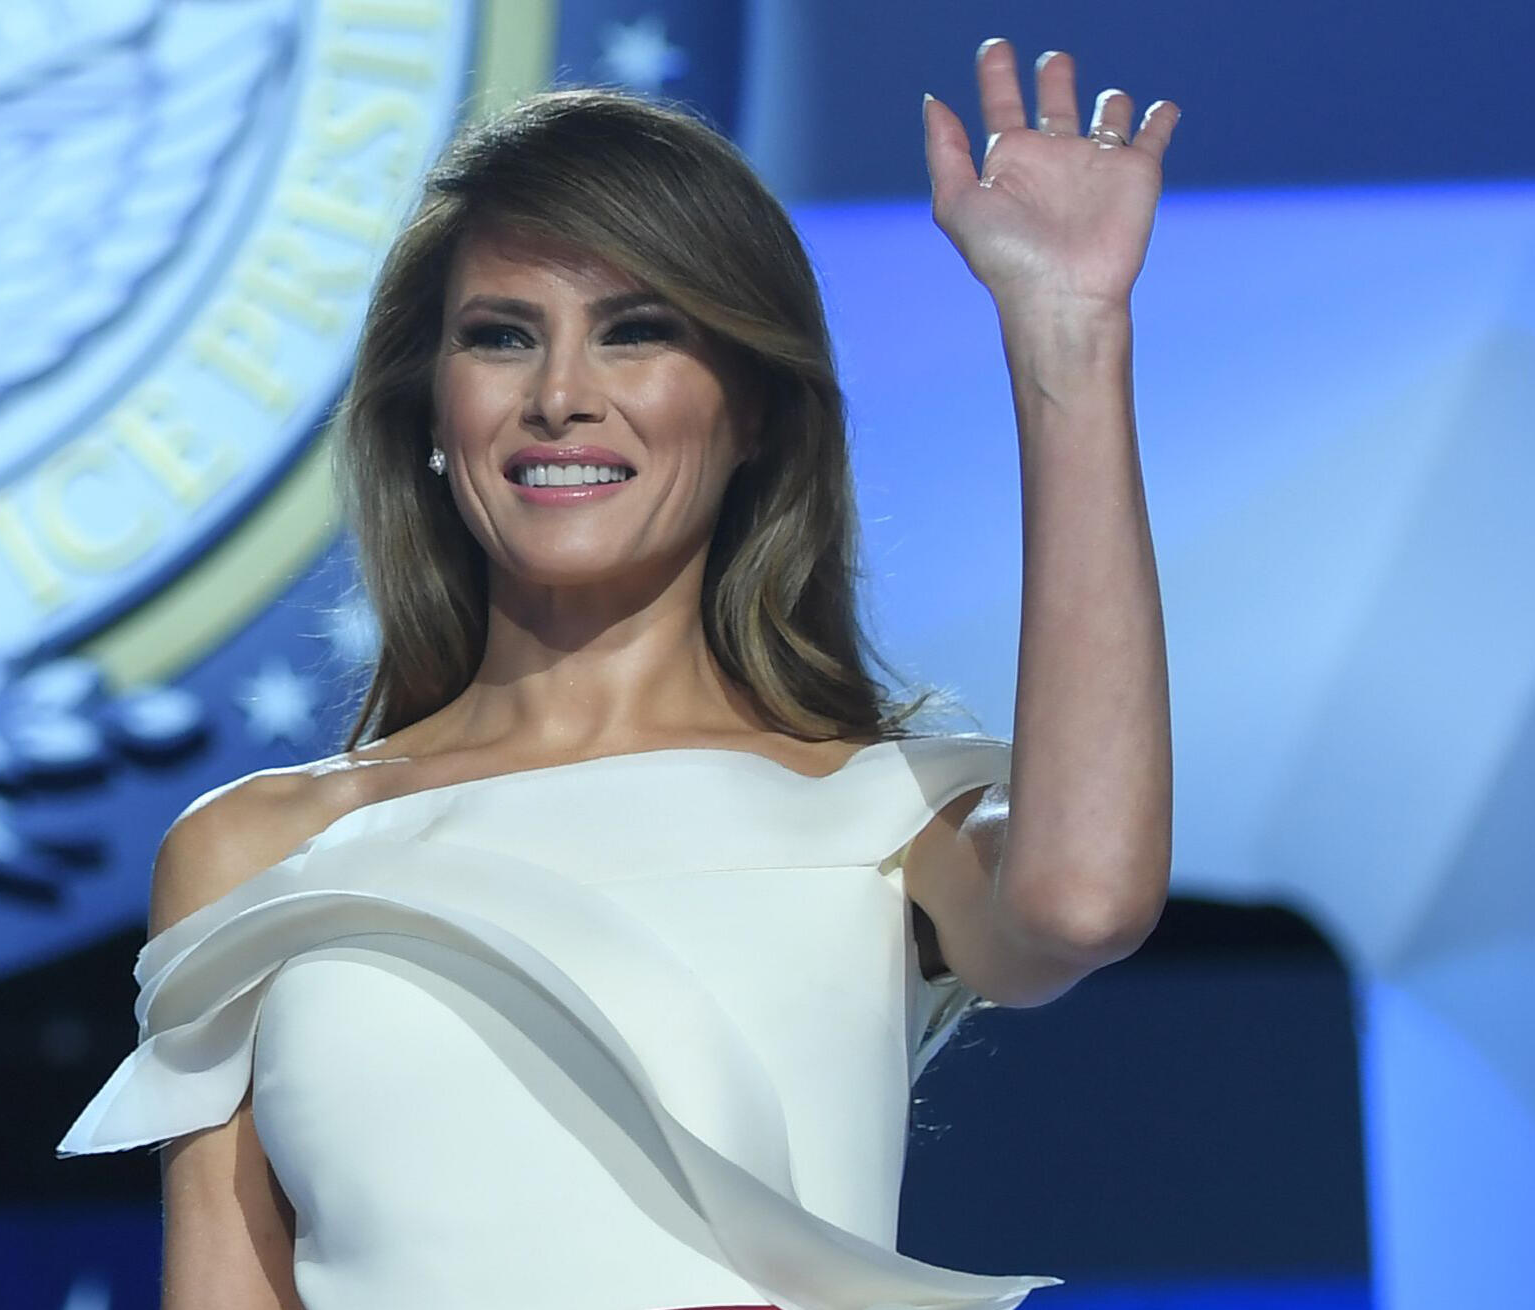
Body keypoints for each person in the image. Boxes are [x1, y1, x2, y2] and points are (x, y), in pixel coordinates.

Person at [60, 37, 1179, 1310]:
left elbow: (1085, 899)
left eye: (636, 331)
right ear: (432, 412)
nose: (561, 395)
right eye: (501, 337)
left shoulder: (878, 818)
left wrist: (1072, 331)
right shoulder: (249, 850)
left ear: (752, 405)